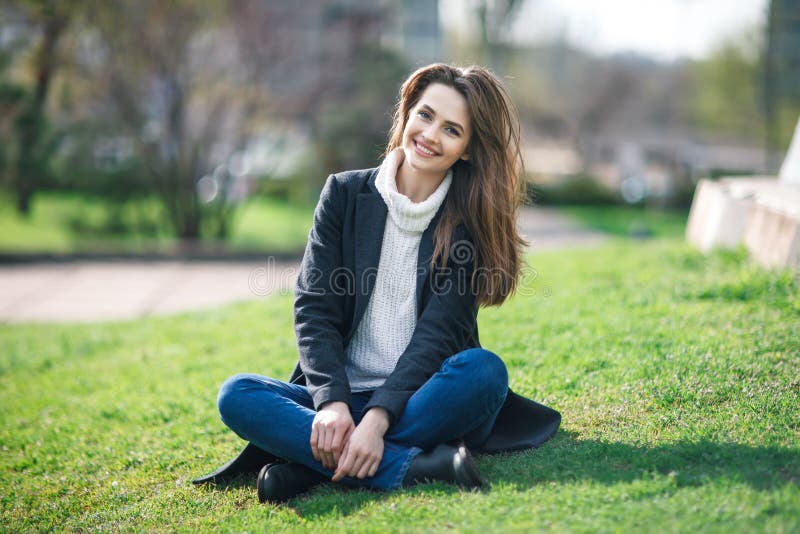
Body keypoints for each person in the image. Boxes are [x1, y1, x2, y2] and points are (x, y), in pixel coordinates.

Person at [193, 63, 561, 503]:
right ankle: (413, 467)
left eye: (451, 129)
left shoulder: (468, 226)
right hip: (340, 395)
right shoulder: (344, 195)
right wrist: (332, 404)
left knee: (484, 373)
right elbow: (314, 309)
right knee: (237, 394)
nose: (430, 135)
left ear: (466, 148)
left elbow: (438, 337)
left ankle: (310, 466)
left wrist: (376, 421)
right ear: (406, 114)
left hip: (423, 397)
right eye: (425, 116)